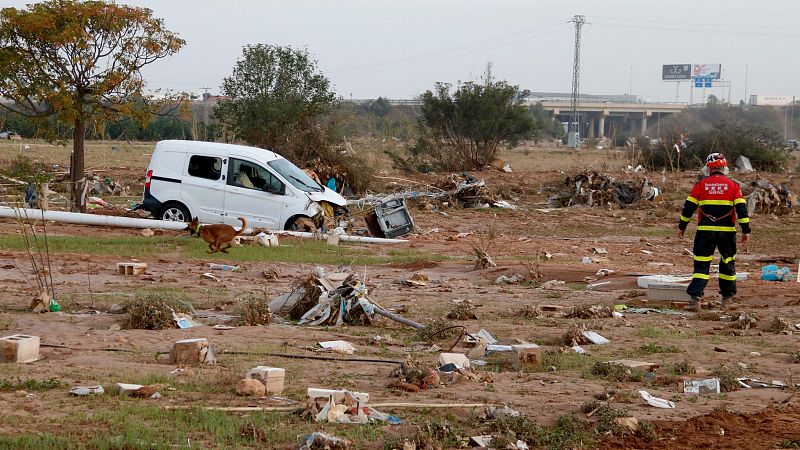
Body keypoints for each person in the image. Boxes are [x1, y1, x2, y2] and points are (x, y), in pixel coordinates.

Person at [678, 152, 751, 311]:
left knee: (701, 266)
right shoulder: (733, 185)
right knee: (728, 264)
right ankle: (727, 299)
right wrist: (746, 230)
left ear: (708, 168)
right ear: (723, 167)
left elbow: (688, 208)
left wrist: (682, 226)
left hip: (705, 232)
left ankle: (694, 300)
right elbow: (742, 210)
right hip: (727, 233)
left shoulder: (701, 185)